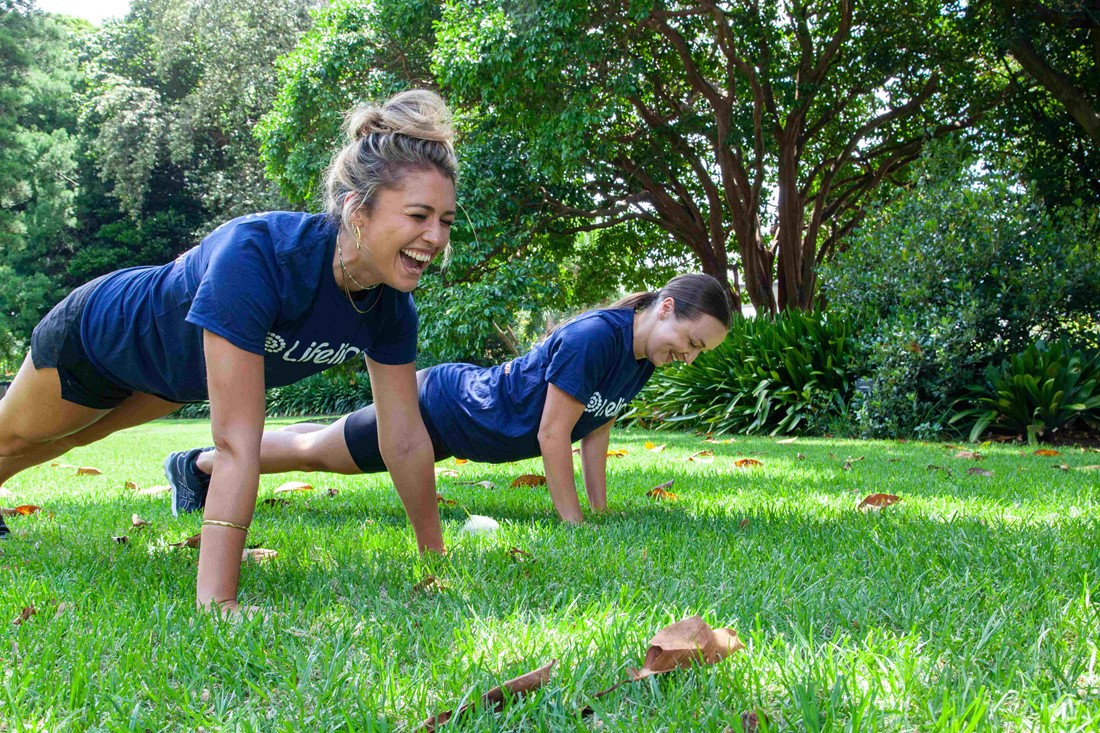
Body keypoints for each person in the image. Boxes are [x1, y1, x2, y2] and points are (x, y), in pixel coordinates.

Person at [0, 90, 456, 613]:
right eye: (419, 215)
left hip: (170, 381)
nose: (435, 236)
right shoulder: (259, 255)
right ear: (358, 210)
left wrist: (433, 559)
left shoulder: (389, 307)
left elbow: (403, 437)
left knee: (77, 438)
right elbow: (238, 444)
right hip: (100, 337)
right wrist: (218, 603)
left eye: (444, 220)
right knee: (17, 433)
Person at [164, 274, 731, 524]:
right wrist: (573, 520)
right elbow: (553, 434)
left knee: (324, 446)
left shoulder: (639, 359)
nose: (690, 355)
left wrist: (600, 507)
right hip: (441, 407)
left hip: (458, 424)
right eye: (691, 341)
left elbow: (593, 428)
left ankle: (204, 465)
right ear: (664, 308)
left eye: (700, 352)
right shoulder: (595, 339)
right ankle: (198, 466)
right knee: (319, 450)